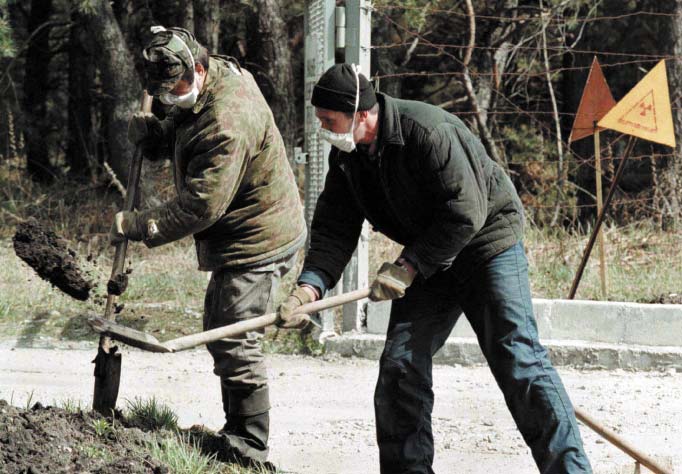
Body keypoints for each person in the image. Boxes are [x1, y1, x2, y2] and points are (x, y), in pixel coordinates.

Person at [277, 63, 593, 474]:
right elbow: (334, 229)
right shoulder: (348, 158)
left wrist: (409, 265)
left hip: (486, 245)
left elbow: (466, 213)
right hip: (429, 258)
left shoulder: (428, 132)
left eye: (328, 120)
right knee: (400, 366)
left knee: (519, 360)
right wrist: (309, 288)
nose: (322, 129)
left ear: (361, 114)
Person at [109, 26, 306, 470]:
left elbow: (201, 206)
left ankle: (249, 447)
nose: (168, 98)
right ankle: (236, 432)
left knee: (234, 335)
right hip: (242, 231)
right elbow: (188, 122)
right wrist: (160, 135)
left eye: (174, 89)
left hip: (258, 237)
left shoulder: (228, 120)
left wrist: (137, 225)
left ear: (197, 69)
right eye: (161, 93)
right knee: (223, 327)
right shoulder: (206, 81)